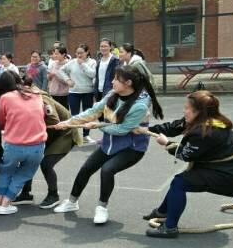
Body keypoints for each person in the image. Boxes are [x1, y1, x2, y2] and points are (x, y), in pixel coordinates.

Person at [53, 67, 164, 224]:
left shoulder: (139, 106)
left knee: (107, 170)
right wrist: (68, 122)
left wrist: (98, 126)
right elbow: (93, 111)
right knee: (86, 169)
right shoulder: (113, 94)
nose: (112, 82)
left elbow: (121, 130)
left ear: (128, 83)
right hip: (109, 144)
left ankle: (102, 208)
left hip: (131, 148)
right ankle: (72, 202)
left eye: (116, 79)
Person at [142, 91, 233, 238]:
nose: (184, 111)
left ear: (199, 111)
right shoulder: (203, 119)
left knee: (180, 182)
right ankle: (162, 212)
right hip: (222, 168)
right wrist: (145, 130)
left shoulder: (206, 131)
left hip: (229, 175)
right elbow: (173, 127)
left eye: (187, 108)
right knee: (178, 181)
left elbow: (185, 154)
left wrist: (166, 143)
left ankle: (169, 228)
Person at [17, 84, 83, 209]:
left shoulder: (41, 99)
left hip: (64, 133)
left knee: (46, 164)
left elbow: (55, 122)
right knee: (28, 160)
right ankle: (25, 194)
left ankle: (53, 195)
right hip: (46, 133)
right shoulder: (23, 98)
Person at [0, 71, 47, 215]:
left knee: (5, 171)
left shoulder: (5, 98)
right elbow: (42, 114)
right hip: (37, 145)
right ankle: (6, 203)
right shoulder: (36, 94)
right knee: (24, 174)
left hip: (14, 145)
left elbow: (0, 122)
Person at [60, 43, 97, 143]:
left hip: (88, 92)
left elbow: (93, 74)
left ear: (87, 52)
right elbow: (61, 70)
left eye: (81, 53)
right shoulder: (72, 62)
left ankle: (86, 135)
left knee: (87, 114)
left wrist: (83, 64)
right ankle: (75, 136)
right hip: (74, 92)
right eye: (77, 53)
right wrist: (68, 80)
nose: (79, 55)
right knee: (74, 115)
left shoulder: (92, 62)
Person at [47, 44, 70, 109]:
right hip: (53, 92)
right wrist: (50, 76)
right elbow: (48, 78)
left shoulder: (68, 64)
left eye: (57, 54)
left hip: (64, 94)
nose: (55, 55)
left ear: (63, 54)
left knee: (64, 111)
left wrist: (56, 75)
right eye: (55, 53)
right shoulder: (53, 64)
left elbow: (68, 81)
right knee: (54, 111)